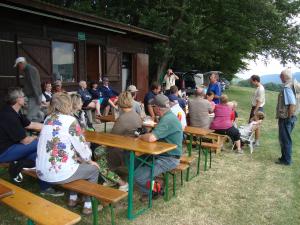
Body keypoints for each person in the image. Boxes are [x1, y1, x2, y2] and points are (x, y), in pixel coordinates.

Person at [36, 92, 100, 215]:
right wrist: (89, 159)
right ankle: (88, 204)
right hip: (58, 173)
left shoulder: (48, 119)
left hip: (41, 171)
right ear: (67, 104)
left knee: (74, 163)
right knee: (93, 170)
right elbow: (82, 147)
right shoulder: (70, 120)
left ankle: (73, 199)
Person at [0, 88, 62, 196]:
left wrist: (52, 126)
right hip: (4, 152)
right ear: (18, 99)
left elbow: (30, 124)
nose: (26, 99)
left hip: (11, 147)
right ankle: (45, 186)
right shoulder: (9, 116)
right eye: (23, 97)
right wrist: (37, 137)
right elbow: (25, 141)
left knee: (37, 154)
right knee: (45, 145)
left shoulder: (12, 111)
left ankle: (21, 165)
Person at [135, 94, 183, 200]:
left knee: (138, 175)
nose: (152, 108)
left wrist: (141, 136)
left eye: (153, 107)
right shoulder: (167, 116)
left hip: (169, 158)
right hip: (164, 154)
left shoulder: (168, 119)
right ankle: (155, 182)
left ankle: (156, 189)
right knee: (137, 161)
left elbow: (151, 138)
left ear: (158, 108)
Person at [106, 91, 143, 191]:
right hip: (132, 148)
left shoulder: (122, 119)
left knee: (98, 154)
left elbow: (112, 138)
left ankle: (115, 178)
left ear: (120, 102)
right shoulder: (136, 115)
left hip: (123, 150)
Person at [275, 69, 297, 166]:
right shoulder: (292, 85)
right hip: (291, 117)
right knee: (284, 138)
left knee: (285, 139)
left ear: (284, 76)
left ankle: (286, 160)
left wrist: (288, 117)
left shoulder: (287, 88)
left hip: (286, 118)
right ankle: (284, 158)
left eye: (281, 76)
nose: (280, 78)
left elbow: (292, 103)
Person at [14, 57, 43, 122]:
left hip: (34, 96)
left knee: (30, 117)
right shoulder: (27, 70)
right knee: (33, 115)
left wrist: (37, 97)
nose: (19, 68)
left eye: (18, 66)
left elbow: (34, 84)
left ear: (21, 63)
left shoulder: (30, 70)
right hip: (33, 96)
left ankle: (29, 130)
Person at [249, 75, 265, 146]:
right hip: (255, 107)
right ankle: (250, 139)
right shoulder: (258, 87)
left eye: (251, 81)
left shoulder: (261, 89)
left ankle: (256, 142)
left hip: (257, 108)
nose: (251, 82)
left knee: (256, 125)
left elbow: (259, 101)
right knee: (252, 123)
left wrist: (255, 111)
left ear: (255, 81)